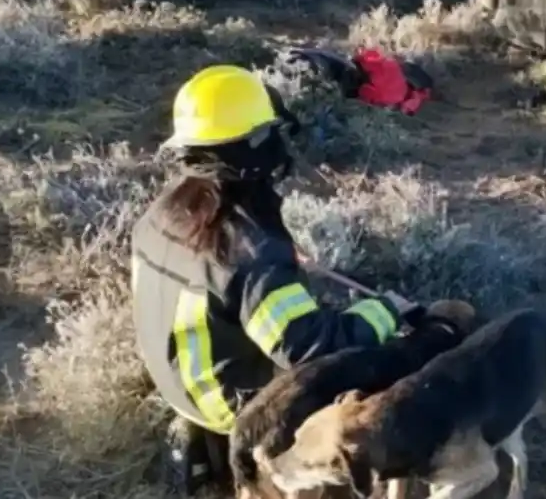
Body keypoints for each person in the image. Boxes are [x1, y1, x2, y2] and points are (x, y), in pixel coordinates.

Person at [130, 64, 418, 497]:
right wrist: (386, 312)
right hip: (230, 405)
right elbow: (309, 347)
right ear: (256, 146)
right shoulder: (250, 251)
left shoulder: (163, 213)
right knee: (380, 376)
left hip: (176, 383)